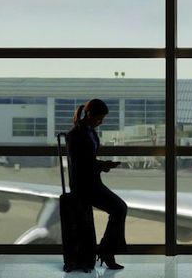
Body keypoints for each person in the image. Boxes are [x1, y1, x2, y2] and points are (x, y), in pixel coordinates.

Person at [67, 99, 126, 270]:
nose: (101, 122)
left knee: (119, 208)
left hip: (93, 182)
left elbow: (88, 161)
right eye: (100, 118)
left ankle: (106, 250)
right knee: (119, 208)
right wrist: (102, 165)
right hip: (83, 186)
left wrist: (102, 165)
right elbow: (80, 164)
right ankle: (106, 251)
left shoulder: (90, 133)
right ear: (90, 114)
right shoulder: (75, 135)